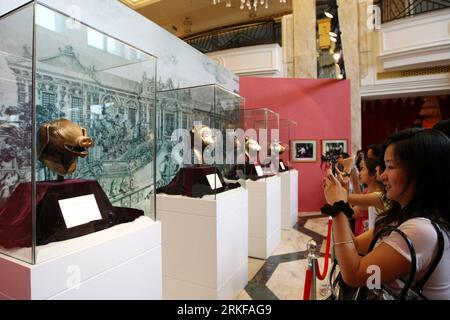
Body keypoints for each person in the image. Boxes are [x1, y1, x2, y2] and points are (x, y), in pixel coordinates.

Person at [323, 128, 450, 299]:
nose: (382, 176)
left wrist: (338, 207)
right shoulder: (400, 217)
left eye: (390, 167)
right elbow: (353, 245)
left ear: (420, 172)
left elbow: (354, 274)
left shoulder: (421, 229)